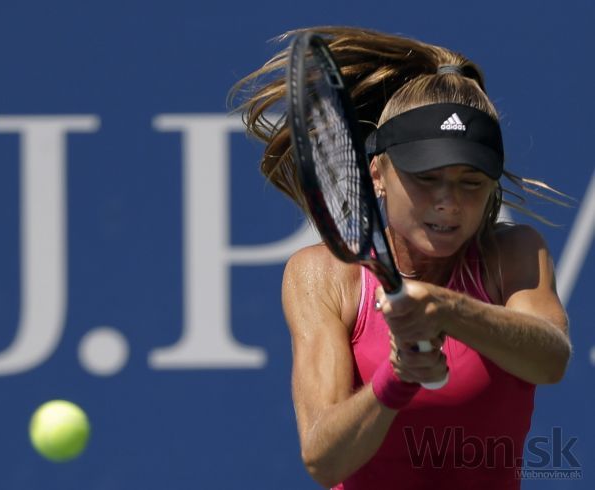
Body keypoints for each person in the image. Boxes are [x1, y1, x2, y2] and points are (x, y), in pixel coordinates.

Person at [230, 26, 572, 489]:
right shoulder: (321, 276)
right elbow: (323, 459)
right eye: (426, 178)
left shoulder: (513, 254)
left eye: (470, 182)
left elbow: (549, 359)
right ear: (378, 174)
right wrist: (397, 377)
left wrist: (448, 308)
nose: (448, 202)